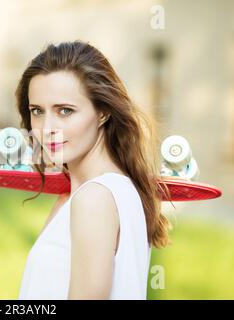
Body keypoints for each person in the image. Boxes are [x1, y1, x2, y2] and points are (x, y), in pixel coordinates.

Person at [15, 40, 171, 300]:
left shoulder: (94, 198)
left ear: (103, 113)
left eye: (65, 111)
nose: (47, 127)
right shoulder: (101, 192)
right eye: (37, 111)